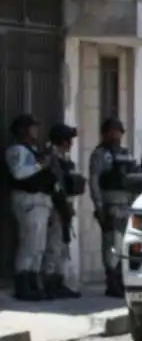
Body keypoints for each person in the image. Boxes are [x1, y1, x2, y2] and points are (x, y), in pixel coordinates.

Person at [5, 114, 56, 301]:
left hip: (40, 201)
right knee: (29, 243)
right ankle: (22, 284)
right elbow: (19, 173)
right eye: (31, 127)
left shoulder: (33, 150)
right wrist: (41, 164)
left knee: (39, 246)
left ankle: (34, 281)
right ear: (22, 130)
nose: (35, 130)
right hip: (27, 201)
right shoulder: (17, 150)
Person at [89, 118, 136, 298]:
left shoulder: (125, 153)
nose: (116, 135)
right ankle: (112, 281)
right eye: (113, 131)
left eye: (119, 131)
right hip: (111, 204)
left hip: (127, 204)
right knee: (111, 245)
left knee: (125, 245)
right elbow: (95, 181)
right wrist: (99, 206)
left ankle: (121, 278)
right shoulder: (101, 154)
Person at [44, 123, 84, 299]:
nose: (71, 143)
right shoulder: (52, 159)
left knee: (62, 247)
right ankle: (49, 282)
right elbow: (55, 186)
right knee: (54, 246)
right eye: (68, 139)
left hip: (65, 207)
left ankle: (59, 282)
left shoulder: (65, 160)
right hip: (56, 207)